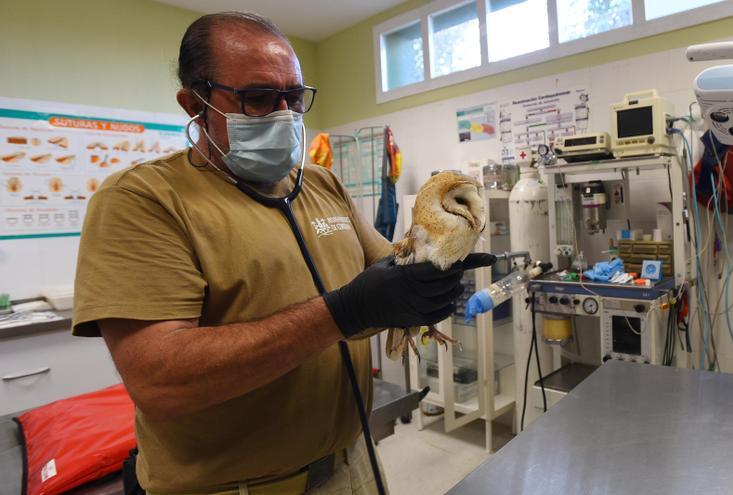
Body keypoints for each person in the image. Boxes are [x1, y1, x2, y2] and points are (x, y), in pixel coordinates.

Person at [72, 11, 493, 494]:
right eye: (257, 98)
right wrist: (343, 311)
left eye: (293, 97)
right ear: (194, 104)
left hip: (353, 463)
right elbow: (159, 382)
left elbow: (389, 275)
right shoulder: (141, 199)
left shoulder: (320, 183)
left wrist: (434, 265)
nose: (284, 114)